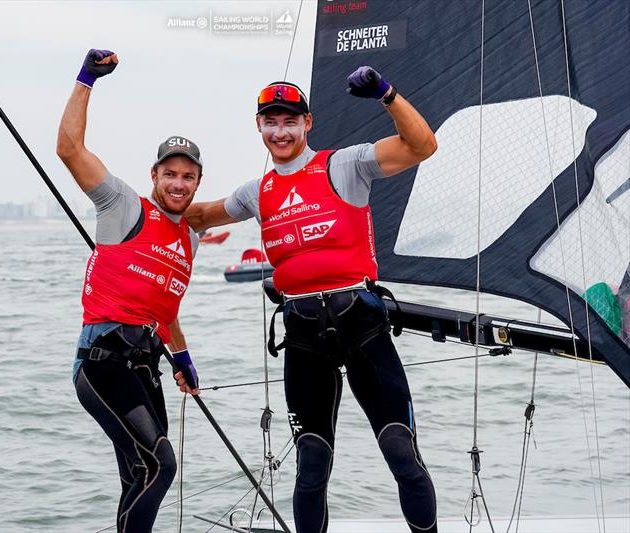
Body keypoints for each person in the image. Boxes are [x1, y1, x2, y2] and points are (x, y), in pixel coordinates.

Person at [186, 68, 438, 533]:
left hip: (361, 323)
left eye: (290, 121)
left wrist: (387, 94)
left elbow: (422, 145)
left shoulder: (344, 164)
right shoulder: (256, 192)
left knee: (400, 449)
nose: (280, 132)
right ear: (258, 127)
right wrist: (132, 212)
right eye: (270, 122)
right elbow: (195, 213)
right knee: (311, 465)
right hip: (303, 336)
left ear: (307, 123)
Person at [57, 48, 202, 533]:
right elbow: (69, 150)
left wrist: (181, 357)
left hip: (147, 366)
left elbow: (164, 308)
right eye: (170, 173)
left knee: (139, 473)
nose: (178, 183)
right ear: (154, 175)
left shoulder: (190, 238)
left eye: (187, 176)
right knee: (162, 466)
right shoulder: (123, 206)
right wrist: (86, 79)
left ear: (197, 181)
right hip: (102, 360)